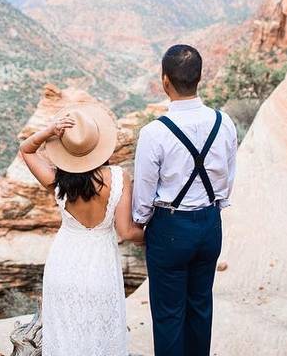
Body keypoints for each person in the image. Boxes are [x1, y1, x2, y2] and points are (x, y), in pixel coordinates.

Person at [132, 44, 238, 356]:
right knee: (201, 308)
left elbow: (144, 195)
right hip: (209, 223)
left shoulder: (155, 133)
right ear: (199, 78)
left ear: (165, 81)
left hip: (170, 228)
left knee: (168, 315)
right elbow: (227, 178)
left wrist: (141, 223)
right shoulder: (225, 122)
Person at [19, 102, 145, 356]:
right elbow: (127, 232)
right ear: (98, 144)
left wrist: (50, 131)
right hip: (100, 266)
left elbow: (26, 149)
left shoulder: (57, 180)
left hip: (62, 266)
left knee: (67, 336)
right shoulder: (118, 177)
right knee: (98, 335)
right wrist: (158, 235)